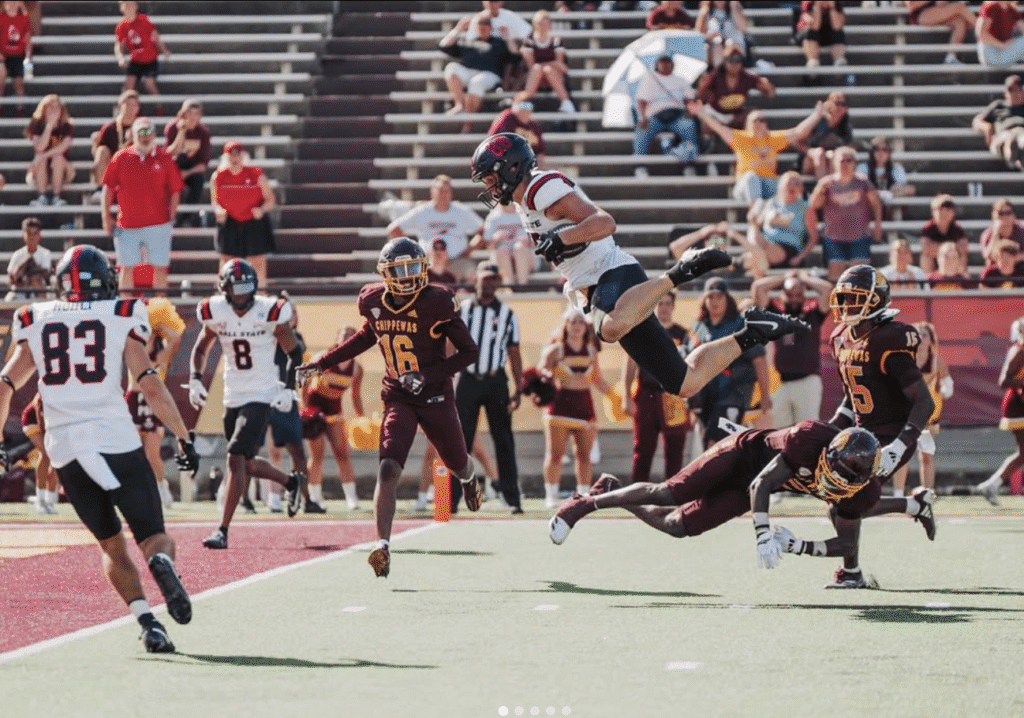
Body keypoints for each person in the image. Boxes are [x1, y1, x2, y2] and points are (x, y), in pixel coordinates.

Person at [470, 132, 807, 408]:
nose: (488, 186)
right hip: (599, 286)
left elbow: (604, 222)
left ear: (511, 167)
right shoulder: (522, 200)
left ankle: (683, 270)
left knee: (611, 328)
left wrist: (563, 237)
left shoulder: (541, 188)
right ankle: (754, 332)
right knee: (686, 383)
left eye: (489, 177)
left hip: (610, 272)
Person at [0, 244, 199, 653]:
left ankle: (147, 621)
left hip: (66, 448)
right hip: (115, 439)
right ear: (106, 282)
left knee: (111, 545)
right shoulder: (121, 313)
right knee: (155, 538)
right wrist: (183, 435)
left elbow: (5, 384)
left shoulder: (33, 317)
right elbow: (148, 382)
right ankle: (161, 562)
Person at [295, 237, 482, 578]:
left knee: (456, 461)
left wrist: (426, 376)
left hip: (435, 395)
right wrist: (322, 362)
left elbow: (469, 352)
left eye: (414, 268)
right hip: (398, 394)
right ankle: (382, 545)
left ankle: (469, 478)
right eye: (401, 270)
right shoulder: (373, 300)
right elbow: (368, 336)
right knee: (388, 468)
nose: (409, 276)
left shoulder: (437, 301)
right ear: (385, 273)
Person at [549, 420, 889, 573]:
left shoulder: (865, 494)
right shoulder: (808, 440)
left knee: (677, 526)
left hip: (746, 490)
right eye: (831, 468)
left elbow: (847, 545)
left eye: (843, 478)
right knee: (671, 493)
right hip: (740, 457)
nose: (831, 480)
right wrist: (762, 535)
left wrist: (800, 546)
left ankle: (611, 490)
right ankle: (582, 504)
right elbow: (762, 484)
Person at [825, 264, 938, 588]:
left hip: (892, 433)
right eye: (843, 298)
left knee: (846, 502)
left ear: (875, 301)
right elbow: (853, 393)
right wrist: (835, 425)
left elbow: (925, 402)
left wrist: (900, 445)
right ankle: (913, 506)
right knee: (836, 498)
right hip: (859, 433)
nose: (846, 306)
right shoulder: (840, 338)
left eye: (854, 298)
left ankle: (851, 573)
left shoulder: (888, 338)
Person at [188, 259, 306, 549]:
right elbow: (202, 346)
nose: (240, 296)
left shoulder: (270, 311)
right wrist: (194, 378)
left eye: (246, 289)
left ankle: (222, 530)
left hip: (262, 393)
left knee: (234, 457)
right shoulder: (215, 311)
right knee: (247, 463)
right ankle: (291, 482)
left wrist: (288, 389)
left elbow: (295, 352)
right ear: (224, 288)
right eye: (235, 289)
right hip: (233, 393)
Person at [456, 260, 524, 513]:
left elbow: (514, 352)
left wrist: (519, 387)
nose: (488, 282)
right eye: (485, 278)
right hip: (468, 380)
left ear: (498, 282)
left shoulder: (507, 314)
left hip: (496, 381)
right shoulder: (462, 310)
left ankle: (511, 498)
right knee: (457, 441)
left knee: (504, 440)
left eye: (493, 278)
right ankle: (448, 499)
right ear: (476, 280)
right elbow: (449, 346)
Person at [689, 101, 824, 214]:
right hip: (745, 187)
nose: (759, 123)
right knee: (750, 177)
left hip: (768, 185)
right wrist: (701, 113)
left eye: (762, 120)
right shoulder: (741, 138)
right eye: (755, 120)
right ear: (748, 124)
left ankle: (801, 214)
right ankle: (756, 214)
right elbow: (718, 128)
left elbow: (797, 132)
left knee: (788, 181)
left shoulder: (772, 139)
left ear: (766, 124)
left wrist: (817, 115)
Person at [101, 116, 184, 292]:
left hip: (158, 223)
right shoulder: (121, 157)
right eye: (141, 133)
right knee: (126, 268)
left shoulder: (164, 157)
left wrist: (173, 214)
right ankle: (126, 312)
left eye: (148, 133)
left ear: (154, 134)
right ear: (133, 135)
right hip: (128, 224)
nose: (145, 137)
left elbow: (176, 189)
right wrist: (105, 215)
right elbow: (108, 188)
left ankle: (159, 311)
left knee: (160, 267)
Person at [540, 308, 612, 505]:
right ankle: (551, 495)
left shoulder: (591, 350)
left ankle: (584, 495)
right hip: (559, 407)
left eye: (581, 322)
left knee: (584, 455)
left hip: (584, 405)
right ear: (566, 325)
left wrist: (615, 397)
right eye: (573, 322)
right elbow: (541, 377)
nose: (577, 326)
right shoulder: (556, 350)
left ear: (586, 326)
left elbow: (597, 378)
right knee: (556, 454)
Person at [691, 277, 770, 448]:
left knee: (719, 442)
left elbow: (760, 360)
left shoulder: (740, 326)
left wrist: (765, 395)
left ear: (728, 299)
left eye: (719, 297)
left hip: (734, 394)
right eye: (710, 297)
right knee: (711, 446)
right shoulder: (698, 327)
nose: (714, 302)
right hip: (706, 396)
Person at [622, 291, 692, 483]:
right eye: (660, 303)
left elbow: (692, 367)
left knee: (675, 449)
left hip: (674, 396)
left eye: (668, 303)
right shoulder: (643, 330)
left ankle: (672, 493)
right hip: (647, 394)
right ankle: (638, 493)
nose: (664, 308)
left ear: (673, 306)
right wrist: (627, 396)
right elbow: (630, 364)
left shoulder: (683, 334)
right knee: (643, 448)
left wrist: (692, 401)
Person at [124, 295, 185, 510]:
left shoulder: (163, 351)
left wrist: (159, 323)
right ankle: (130, 493)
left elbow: (177, 336)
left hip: (152, 399)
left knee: (152, 454)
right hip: (133, 397)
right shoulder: (132, 341)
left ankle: (162, 488)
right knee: (126, 452)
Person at [751, 269, 832, 428]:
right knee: (778, 430)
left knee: (808, 430)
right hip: (781, 382)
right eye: (790, 295)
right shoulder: (776, 315)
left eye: (798, 295)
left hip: (807, 381)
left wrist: (803, 278)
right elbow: (758, 288)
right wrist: (785, 277)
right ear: (782, 294)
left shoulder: (813, 315)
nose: (794, 299)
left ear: (804, 296)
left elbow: (828, 290)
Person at [302, 325, 365, 512]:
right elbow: (305, 384)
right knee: (317, 454)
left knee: (342, 453)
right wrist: (305, 409)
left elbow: (355, 395)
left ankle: (352, 497)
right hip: (315, 408)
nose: (347, 338)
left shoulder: (356, 368)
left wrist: (362, 418)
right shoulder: (324, 357)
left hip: (334, 410)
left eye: (352, 336)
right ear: (337, 338)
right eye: (344, 335)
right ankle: (315, 496)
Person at [806, 146, 883, 282]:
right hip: (834, 238)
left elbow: (876, 204)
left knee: (860, 277)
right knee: (836, 278)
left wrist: (877, 225)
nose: (845, 164)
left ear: (854, 163)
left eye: (849, 160)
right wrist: (819, 192)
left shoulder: (863, 182)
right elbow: (813, 205)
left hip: (859, 236)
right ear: (836, 163)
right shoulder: (827, 183)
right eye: (842, 161)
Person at [387, 174, 483, 283]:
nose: (443, 195)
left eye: (447, 191)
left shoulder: (461, 211)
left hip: (456, 261)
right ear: (432, 192)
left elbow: (482, 231)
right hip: (428, 263)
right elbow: (393, 230)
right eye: (440, 191)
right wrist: (412, 251)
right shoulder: (423, 211)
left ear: (451, 193)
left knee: (471, 274)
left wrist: (467, 251)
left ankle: (465, 299)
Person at [891, 322, 951, 496]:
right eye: (918, 334)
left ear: (931, 340)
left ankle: (927, 493)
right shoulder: (904, 359)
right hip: (905, 412)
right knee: (901, 453)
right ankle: (898, 493)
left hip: (927, 414)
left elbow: (948, 384)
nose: (921, 338)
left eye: (925, 335)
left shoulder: (936, 362)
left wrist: (945, 390)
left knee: (926, 454)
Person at [210, 141, 277, 288]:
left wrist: (262, 209)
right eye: (231, 155)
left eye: (237, 155)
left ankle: (261, 294)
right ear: (226, 157)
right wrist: (219, 211)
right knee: (226, 260)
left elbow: (270, 199)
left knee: (257, 260)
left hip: (253, 220)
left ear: (243, 156)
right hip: (230, 220)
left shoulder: (256, 174)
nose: (235, 159)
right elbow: (215, 202)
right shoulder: (218, 177)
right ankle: (224, 293)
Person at [975, 315, 1024, 505]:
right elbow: (1004, 380)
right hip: (1017, 406)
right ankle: (991, 484)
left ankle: (991, 484)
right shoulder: (1019, 351)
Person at [439, 14, 517, 133]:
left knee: (476, 82)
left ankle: (468, 124)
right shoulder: (467, 41)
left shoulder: (499, 43)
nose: (483, 27)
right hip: (468, 72)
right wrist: (458, 29)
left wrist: (508, 36)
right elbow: (443, 46)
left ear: (491, 28)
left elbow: (515, 56)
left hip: (489, 75)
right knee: (451, 68)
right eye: (480, 25)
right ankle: (459, 105)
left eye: (486, 24)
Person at [633, 54, 700, 176]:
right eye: (662, 62)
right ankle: (640, 166)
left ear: (672, 65)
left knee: (689, 126)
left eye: (667, 62)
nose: (665, 65)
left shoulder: (680, 80)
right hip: (655, 115)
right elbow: (641, 101)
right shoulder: (648, 80)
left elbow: (690, 99)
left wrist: (690, 112)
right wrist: (642, 117)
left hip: (677, 115)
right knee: (642, 129)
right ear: (657, 65)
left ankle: (689, 165)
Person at [694, 39, 775, 134]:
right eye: (730, 60)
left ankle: (753, 144)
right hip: (716, 114)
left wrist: (767, 87)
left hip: (736, 116)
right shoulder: (714, 76)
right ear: (724, 61)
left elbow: (770, 94)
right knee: (706, 120)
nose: (734, 64)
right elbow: (700, 97)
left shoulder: (748, 77)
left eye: (738, 60)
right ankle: (708, 145)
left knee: (755, 115)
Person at [746, 171, 814, 276]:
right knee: (753, 229)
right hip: (766, 245)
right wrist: (754, 219)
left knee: (754, 257)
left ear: (801, 188)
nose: (792, 186)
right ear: (781, 187)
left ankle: (737, 238)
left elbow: (814, 237)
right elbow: (758, 223)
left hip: (788, 250)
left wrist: (800, 257)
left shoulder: (805, 207)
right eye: (789, 183)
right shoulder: (772, 203)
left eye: (796, 184)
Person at [114, 0, 170, 110]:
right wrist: (120, 58)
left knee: (149, 83)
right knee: (128, 85)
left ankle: (159, 106)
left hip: (150, 59)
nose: (128, 7)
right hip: (136, 60)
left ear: (136, 6)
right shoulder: (121, 25)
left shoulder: (143, 20)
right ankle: (121, 109)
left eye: (131, 4)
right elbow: (118, 45)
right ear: (121, 8)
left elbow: (156, 36)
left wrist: (164, 50)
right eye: (125, 5)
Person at [164, 98, 212, 223]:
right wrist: (181, 132)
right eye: (188, 113)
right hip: (174, 166)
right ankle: (168, 215)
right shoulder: (173, 127)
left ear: (200, 116)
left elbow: (203, 164)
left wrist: (187, 173)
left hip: (192, 169)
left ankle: (185, 218)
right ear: (182, 114)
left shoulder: (203, 132)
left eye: (196, 114)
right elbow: (168, 154)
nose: (192, 118)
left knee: (198, 181)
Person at [518, 9, 574, 113]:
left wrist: (548, 66)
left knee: (548, 70)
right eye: (539, 24)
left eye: (545, 24)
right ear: (534, 25)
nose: (542, 27)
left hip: (553, 76)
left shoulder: (556, 41)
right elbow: (531, 66)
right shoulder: (529, 41)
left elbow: (560, 65)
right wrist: (551, 63)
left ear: (550, 25)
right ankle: (526, 102)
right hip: (535, 76)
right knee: (537, 69)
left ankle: (566, 102)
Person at [90, 90, 140, 205]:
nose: (130, 108)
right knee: (102, 150)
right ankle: (100, 189)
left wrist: (134, 141)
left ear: (138, 108)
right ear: (120, 106)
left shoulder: (140, 127)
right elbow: (97, 153)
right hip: (113, 166)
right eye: (127, 104)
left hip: (134, 166)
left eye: (134, 105)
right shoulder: (110, 127)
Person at [25, 94, 74, 207]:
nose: (54, 110)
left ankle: (56, 197)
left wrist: (43, 156)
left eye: (57, 107)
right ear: (44, 109)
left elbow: (63, 147)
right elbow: (39, 147)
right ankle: (42, 197)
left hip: (63, 168)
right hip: (40, 169)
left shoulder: (68, 125)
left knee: (57, 157)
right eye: (50, 107)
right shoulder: (36, 124)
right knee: (41, 157)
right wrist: (49, 126)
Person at [972, 74, 1024, 171]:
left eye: (1018, 90)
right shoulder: (998, 105)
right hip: (1003, 134)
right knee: (1009, 140)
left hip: (1021, 132)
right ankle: (1012, 158)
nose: (1015, 94)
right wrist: (987, 127)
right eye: (1011, 90)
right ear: (1006, 93)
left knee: (1022, 140)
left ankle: (1014, 160)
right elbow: (977, 120)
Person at [798, 91, 855, 179]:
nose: (840, 107)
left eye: (843, 104)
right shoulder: (817, 121)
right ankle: (823, 187)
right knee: (820, 153)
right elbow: (797, 142)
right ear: (828, 104)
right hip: (811, 160)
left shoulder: (846, 127)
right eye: (837, 103)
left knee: (833, 155)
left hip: (831, 161)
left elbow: (849, 149)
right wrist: (810, 152)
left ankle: (832, 189)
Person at [796, 1, 852, 85]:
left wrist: (832, 8)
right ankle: (813, 63)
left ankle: (839, 62)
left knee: (838, 34)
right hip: (811, 34)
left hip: (828, 34)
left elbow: (837, 26)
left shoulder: (837, 4)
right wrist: (817, 6)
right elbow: (814, 26)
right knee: (811, 34)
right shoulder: (809, 4)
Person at [481, 200, 534, 286]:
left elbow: (537, 242)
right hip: (502, 260)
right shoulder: (493, 217)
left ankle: (522, 286)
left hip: (526, 258)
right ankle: (509, 286)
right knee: (502, 250)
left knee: (520, 248)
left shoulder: (525, 215)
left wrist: (526, 241)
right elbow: (488, 247)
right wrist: (497, 239)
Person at [21, 392, 58, 514]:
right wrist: (44, 431)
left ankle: (50, 501)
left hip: (53, 424)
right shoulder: (48, 387)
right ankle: (41, 500)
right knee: (47, 454)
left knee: (58, 458)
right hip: (33, 420)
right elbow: (38, 408)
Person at [855, 136, 915, 208]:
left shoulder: (896, 168)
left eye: (885, 150)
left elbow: (901, 185)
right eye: (877, 149)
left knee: (910, 189)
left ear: (889, 152)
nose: (881, 153)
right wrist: (879, 194)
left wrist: (889, 194)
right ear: (871, 152)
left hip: (891, 203)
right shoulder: (863, 167)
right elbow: (859, 186)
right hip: (869, 204)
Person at [907, 1, 975, 64]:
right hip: (921, 16)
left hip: (936, 12)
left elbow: (940, 4)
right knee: (959, 7)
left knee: (959, 22)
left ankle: (951, 58)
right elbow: (911, 4)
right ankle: (982, 30)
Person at [487, 100, 548, 169]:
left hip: (528, 163)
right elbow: (493, 140)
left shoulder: (533, 126)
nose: (524, 111)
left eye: (528, 107)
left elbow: (541, 150)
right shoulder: (507, 118)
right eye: (522, 106)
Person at [919, 193, 969, 274]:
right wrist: (946, 251)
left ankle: (960, 281)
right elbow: (926, 248)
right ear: (933, 212)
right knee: (926, 257)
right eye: (940, 209)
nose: (944, 213)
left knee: (961, 257)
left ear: (953, 212)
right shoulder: (928, 228)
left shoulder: (957, 228)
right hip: (935, 265)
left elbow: (963, 248)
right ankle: (928, 282)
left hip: (952, 263)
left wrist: (945, 252)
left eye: (948, 209)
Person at [6, 216, 51, 300]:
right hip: (20, 290)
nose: (32, 237)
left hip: (38, 291)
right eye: (29, 233)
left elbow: (46, 275)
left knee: (37, 280)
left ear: (39, 235)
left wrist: (31, 269)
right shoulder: (17, 254)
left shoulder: (45, 253)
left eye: (35, 233)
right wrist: (23, 264)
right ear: (24, 235)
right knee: (10, 297)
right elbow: (11, 278)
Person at [0, 0, 32, 116]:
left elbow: (28, 38)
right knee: (0, 78)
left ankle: (20, 110)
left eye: (14, 2)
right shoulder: (1, 18)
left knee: (19, 83)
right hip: (4, 57)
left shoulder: (24, 18)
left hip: (18, 56)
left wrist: (28, 56)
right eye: (8, 2)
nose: (11, 4)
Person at [695, 1, 750, 69]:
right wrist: (709, 36)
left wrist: (734, 7)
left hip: (734, 48)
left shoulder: (734, 8)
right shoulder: (706, 11)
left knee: (730, 43)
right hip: (714, 49)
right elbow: (699, 35)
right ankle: (719, 73)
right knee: (717, 44)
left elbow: (743, 28)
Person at [976, 0, 1024, 67]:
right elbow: (982, 34)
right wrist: (1002, 45)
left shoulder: (1011, 10)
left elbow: (1022, 27)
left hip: (1004, 53)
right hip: (991, 54)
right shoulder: (991, 8)